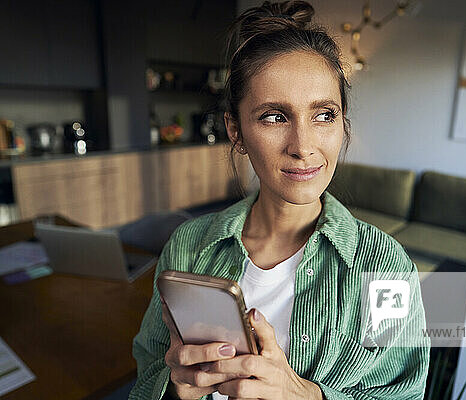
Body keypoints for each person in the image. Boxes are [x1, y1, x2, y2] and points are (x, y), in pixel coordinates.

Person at [128, 1, 430, 399]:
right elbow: (145, 375)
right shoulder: (189, 246)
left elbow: (403, 394)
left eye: (323, 115)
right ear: (235, 131)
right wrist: (173, 388)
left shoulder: (385, 267)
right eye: (274, 116)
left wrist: (303, 395)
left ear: (343, 124)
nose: (303, 147)